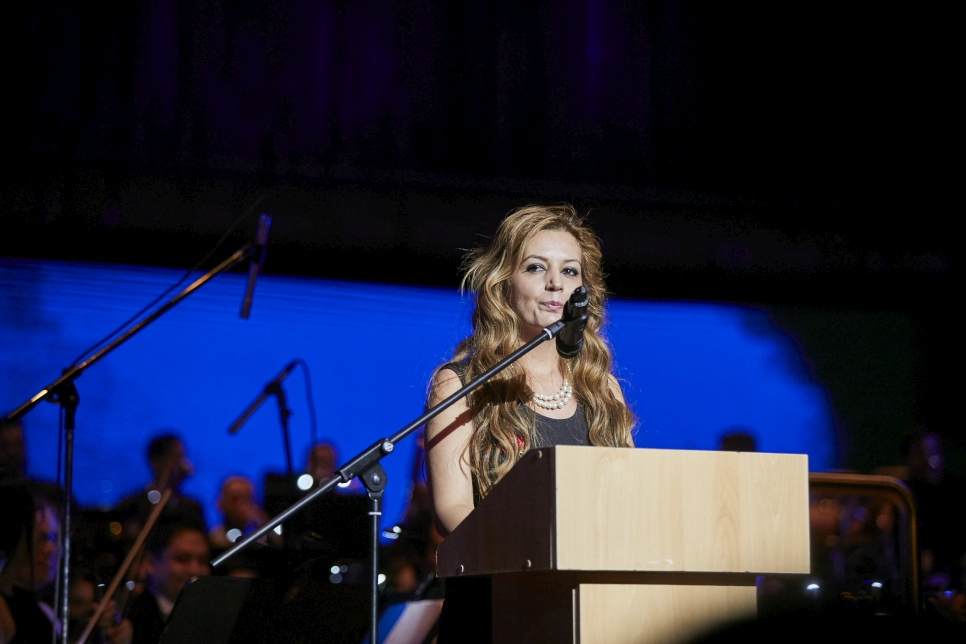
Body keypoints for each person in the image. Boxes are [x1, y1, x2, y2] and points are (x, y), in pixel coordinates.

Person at [424, 204, 635, 642]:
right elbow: (453, 510)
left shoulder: (603, 391)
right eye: (537, 267)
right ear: (504, 283)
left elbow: (628, 502)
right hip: (496, 608)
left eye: (570, 271)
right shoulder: (461, 384)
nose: (556, 282)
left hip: (591, 613)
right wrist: (533, 557)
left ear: (585, 290)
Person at [127, 521, 210, 644]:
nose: (195, 570)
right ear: (150, 563)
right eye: (182, 559)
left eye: (202, 560)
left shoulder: (215, 614)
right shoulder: (131, 617)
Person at [114, 434, 206, 541]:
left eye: (182, 457)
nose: (182, 464)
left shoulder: (192, 508)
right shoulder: (131, 505)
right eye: (175, 457)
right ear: (155, 462)